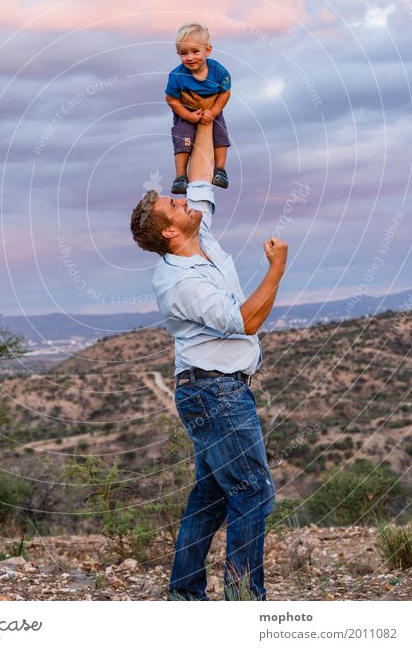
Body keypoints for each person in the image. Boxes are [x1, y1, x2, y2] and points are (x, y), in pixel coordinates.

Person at [130, 118, 287, 601]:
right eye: (174, 204)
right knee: (253, 490)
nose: (183, 200)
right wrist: (276, 269)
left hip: (213, 389)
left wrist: (202, 118)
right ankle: (244, 603)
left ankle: (185, 595)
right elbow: (245, 321)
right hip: (213, 391)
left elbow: (199, 176)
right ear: (171, 230)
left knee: (214, 494)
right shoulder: (181, 282)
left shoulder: (199, 240)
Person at [165, 22, 231, 195]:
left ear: (207, 50)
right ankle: (180, 177)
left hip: (212, 110)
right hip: (186, 112)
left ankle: (220, 170)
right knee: (183, 138)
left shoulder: (218, 72)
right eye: (184, 53)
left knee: (220, 135)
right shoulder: (177, 76)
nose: (190, 57)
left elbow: (225, 93)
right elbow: (171, 98)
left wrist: (214, 111)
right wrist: (187, 115)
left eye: (195, 51)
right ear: (178, 54)